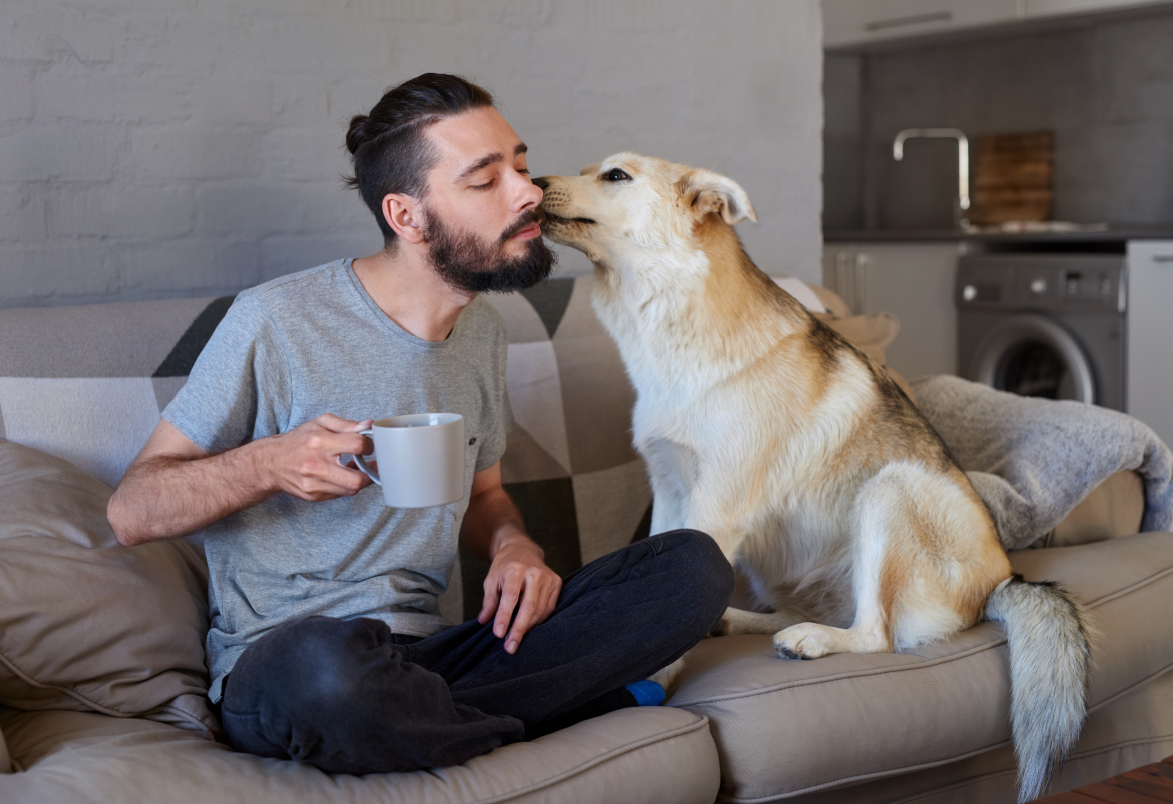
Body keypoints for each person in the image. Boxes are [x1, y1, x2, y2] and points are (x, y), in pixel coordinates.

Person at [107, 73, 733, 774]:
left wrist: (513, 549)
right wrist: (266, 464)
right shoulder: (275, 320)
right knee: (327, 669)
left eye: (521, 166)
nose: (528, 192)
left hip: (436, 651)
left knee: (692, 566)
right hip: (287, 659)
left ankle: (444, 721)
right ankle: (564, 708)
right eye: (484, 180)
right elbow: (132, 509)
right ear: (407, 217)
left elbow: (487, 495)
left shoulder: (482, 333)